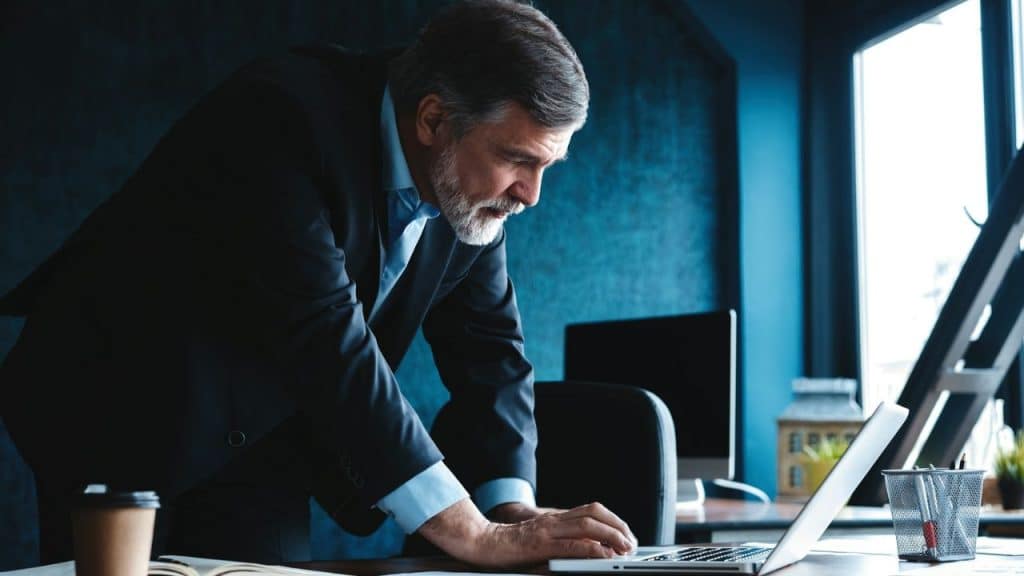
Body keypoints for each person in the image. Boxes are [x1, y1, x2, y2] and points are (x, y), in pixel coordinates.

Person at [0, 0, 637, 568]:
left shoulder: (470, 190)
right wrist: (470, 533)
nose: (531, 194)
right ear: (434, 119)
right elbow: (324, 335)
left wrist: (507, 508)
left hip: (263, 426)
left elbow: (493, 354)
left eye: (547, 164)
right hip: (118, 404)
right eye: (518, 160)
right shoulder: (280, 119)